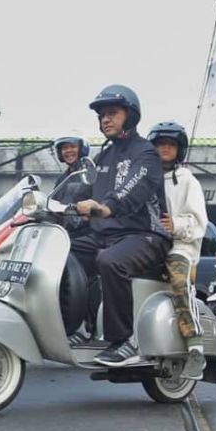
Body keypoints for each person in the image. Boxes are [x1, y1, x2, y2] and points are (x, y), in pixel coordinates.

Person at [70, 84, 171, 367]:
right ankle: (74, 328)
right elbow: (79, 191)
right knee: (63, 257)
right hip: (106, 235)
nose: (105, 119)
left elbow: (132, 189)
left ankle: (123, 340)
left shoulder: (146, 153)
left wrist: (105, 207)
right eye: (102, 115)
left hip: (146, 236)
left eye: (112, 113)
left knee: (110, 261)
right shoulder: (101, 158)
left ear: (130, 116)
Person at [148, 120, 208, 379]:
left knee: (179, 282)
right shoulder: (146, 178)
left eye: (170, 145)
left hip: (179, 246)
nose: (165, 149)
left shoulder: (187, 180)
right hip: (149, 244)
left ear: (178, 150)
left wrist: (176, 225)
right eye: (161, 144)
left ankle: (195, 345)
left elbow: (198, 222)